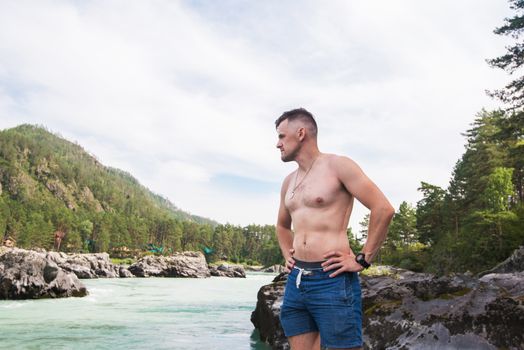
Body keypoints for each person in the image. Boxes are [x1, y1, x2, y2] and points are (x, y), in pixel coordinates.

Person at [275, 108, 395, 350]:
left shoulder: (338, 166)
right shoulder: (289, 181)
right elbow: (282, 225)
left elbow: (383, 209)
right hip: (296, 280)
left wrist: (363, 260)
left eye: (281, 136)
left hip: (332, 279)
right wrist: (287, 253)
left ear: (301, 133)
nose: (277, 144)